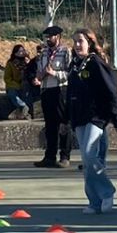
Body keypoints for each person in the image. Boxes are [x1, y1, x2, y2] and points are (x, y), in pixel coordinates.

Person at [67, 29, 117, 213]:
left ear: (89, 43)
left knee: (90, 155)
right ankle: (94, 202)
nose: (77, 45)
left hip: (96, 117)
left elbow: (111, 91)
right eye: (74, 41)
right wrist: (69, 118)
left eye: (80, 41)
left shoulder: (95, 63)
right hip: (79, 117)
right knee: (86, 161)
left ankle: (107, 191)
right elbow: (71, 93)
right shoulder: (74, 65)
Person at [32, 25, 73, 166]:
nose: (48, 39)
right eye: (46, 37)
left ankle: (64, 156)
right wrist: (38, 77)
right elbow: (39, 70)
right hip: (46, 90)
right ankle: (49, 156)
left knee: (63, 124)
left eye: (51, 36)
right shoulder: (43, 53)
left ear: (58, 37)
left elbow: (70, 73)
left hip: (60, 90)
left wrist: (54, 73)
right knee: (50, 125)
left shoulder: (66, 52)